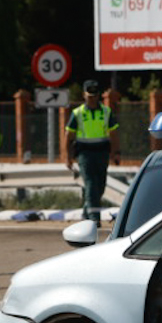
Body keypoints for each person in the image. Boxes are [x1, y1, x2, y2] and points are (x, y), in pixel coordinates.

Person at [64, 80, 119, 225]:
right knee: (90, 183)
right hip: (84, 153)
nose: (92, 99)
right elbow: (68, 136)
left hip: (102, 152)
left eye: (94, 96)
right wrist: (67, 157)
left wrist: (115, 153)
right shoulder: (78, 113)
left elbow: (113, 134)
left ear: (98, 96)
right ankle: (94, 217)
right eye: (89, 96)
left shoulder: (106, 112)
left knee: (100, 185)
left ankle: (86, 211)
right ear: (84, 96)